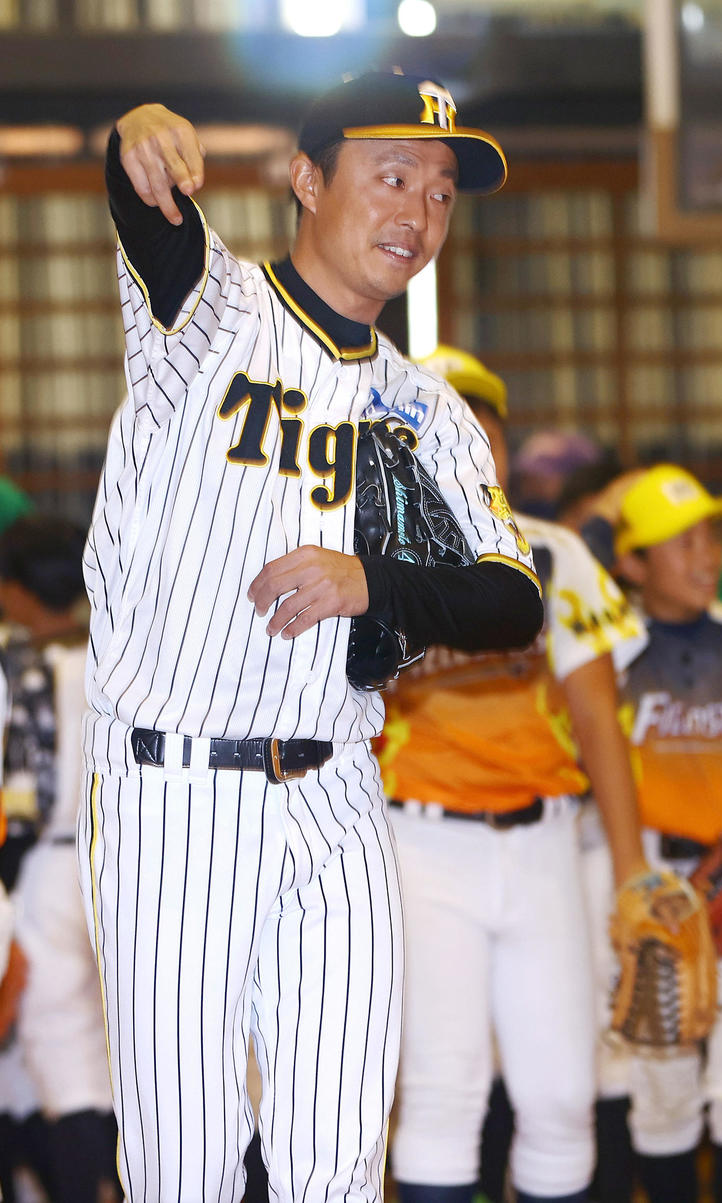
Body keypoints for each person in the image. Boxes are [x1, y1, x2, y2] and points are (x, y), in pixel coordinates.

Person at [82, 72, 543, 1203]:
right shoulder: (213, 314)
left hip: (337, 793)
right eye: (391, 177)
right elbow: (147, 207)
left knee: (338, 1158)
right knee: (185, 1165)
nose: (419, 213)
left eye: (439, 192)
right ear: (305, 179)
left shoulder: (426, 404)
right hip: (175, 792)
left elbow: (509, 600)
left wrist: (371, 580)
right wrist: (133, 139)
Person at [377, 345, 647, 1203]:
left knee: (565, 1098)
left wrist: (635, 868)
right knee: (442, 1096)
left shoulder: (553, 551)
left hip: (545, 844)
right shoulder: (368, 560)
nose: (461, 435)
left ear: (497, 438)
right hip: (421, 845)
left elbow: (600, 719)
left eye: (476, 419)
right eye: (435, 418)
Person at [611, 464, 722, 1203]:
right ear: (633, 563)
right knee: (660, 1090)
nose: (707, 555)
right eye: (680, 542)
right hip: (652, 881)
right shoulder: (613, 649)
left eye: (709, 537)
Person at [0, 515, 120, 1203]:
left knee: (63, 1061)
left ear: (15, 592)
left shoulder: (16, 667)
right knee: (123, 1062)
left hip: (44, 868)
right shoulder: (120, 650)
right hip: (126, 864)